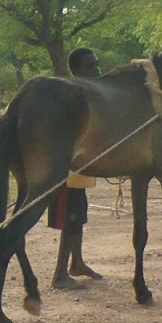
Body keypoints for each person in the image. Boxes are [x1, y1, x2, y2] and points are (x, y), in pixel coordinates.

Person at [47, 47, 104, 290]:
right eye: (91, 65)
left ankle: (77, 262)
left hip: (81, 171)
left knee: (78, 216)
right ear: (78, 70)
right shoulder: (69, 95)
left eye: (97, 64)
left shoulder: (87, 94)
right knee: (70, 219)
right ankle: (60, 273)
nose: (97, 69)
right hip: (67, 171)